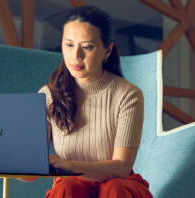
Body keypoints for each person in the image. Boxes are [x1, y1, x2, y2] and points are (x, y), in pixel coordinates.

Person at [35, 5, 152, 198]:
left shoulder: (128, 95)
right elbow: (29, 174)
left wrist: (70, 165)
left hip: (120, 185)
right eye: (69, 45)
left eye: (87, 47)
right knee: (66, 189)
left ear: (107, 51)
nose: (76, 56)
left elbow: (121, 167)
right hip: (70, 186)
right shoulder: (48, 95)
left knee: (115, 189)